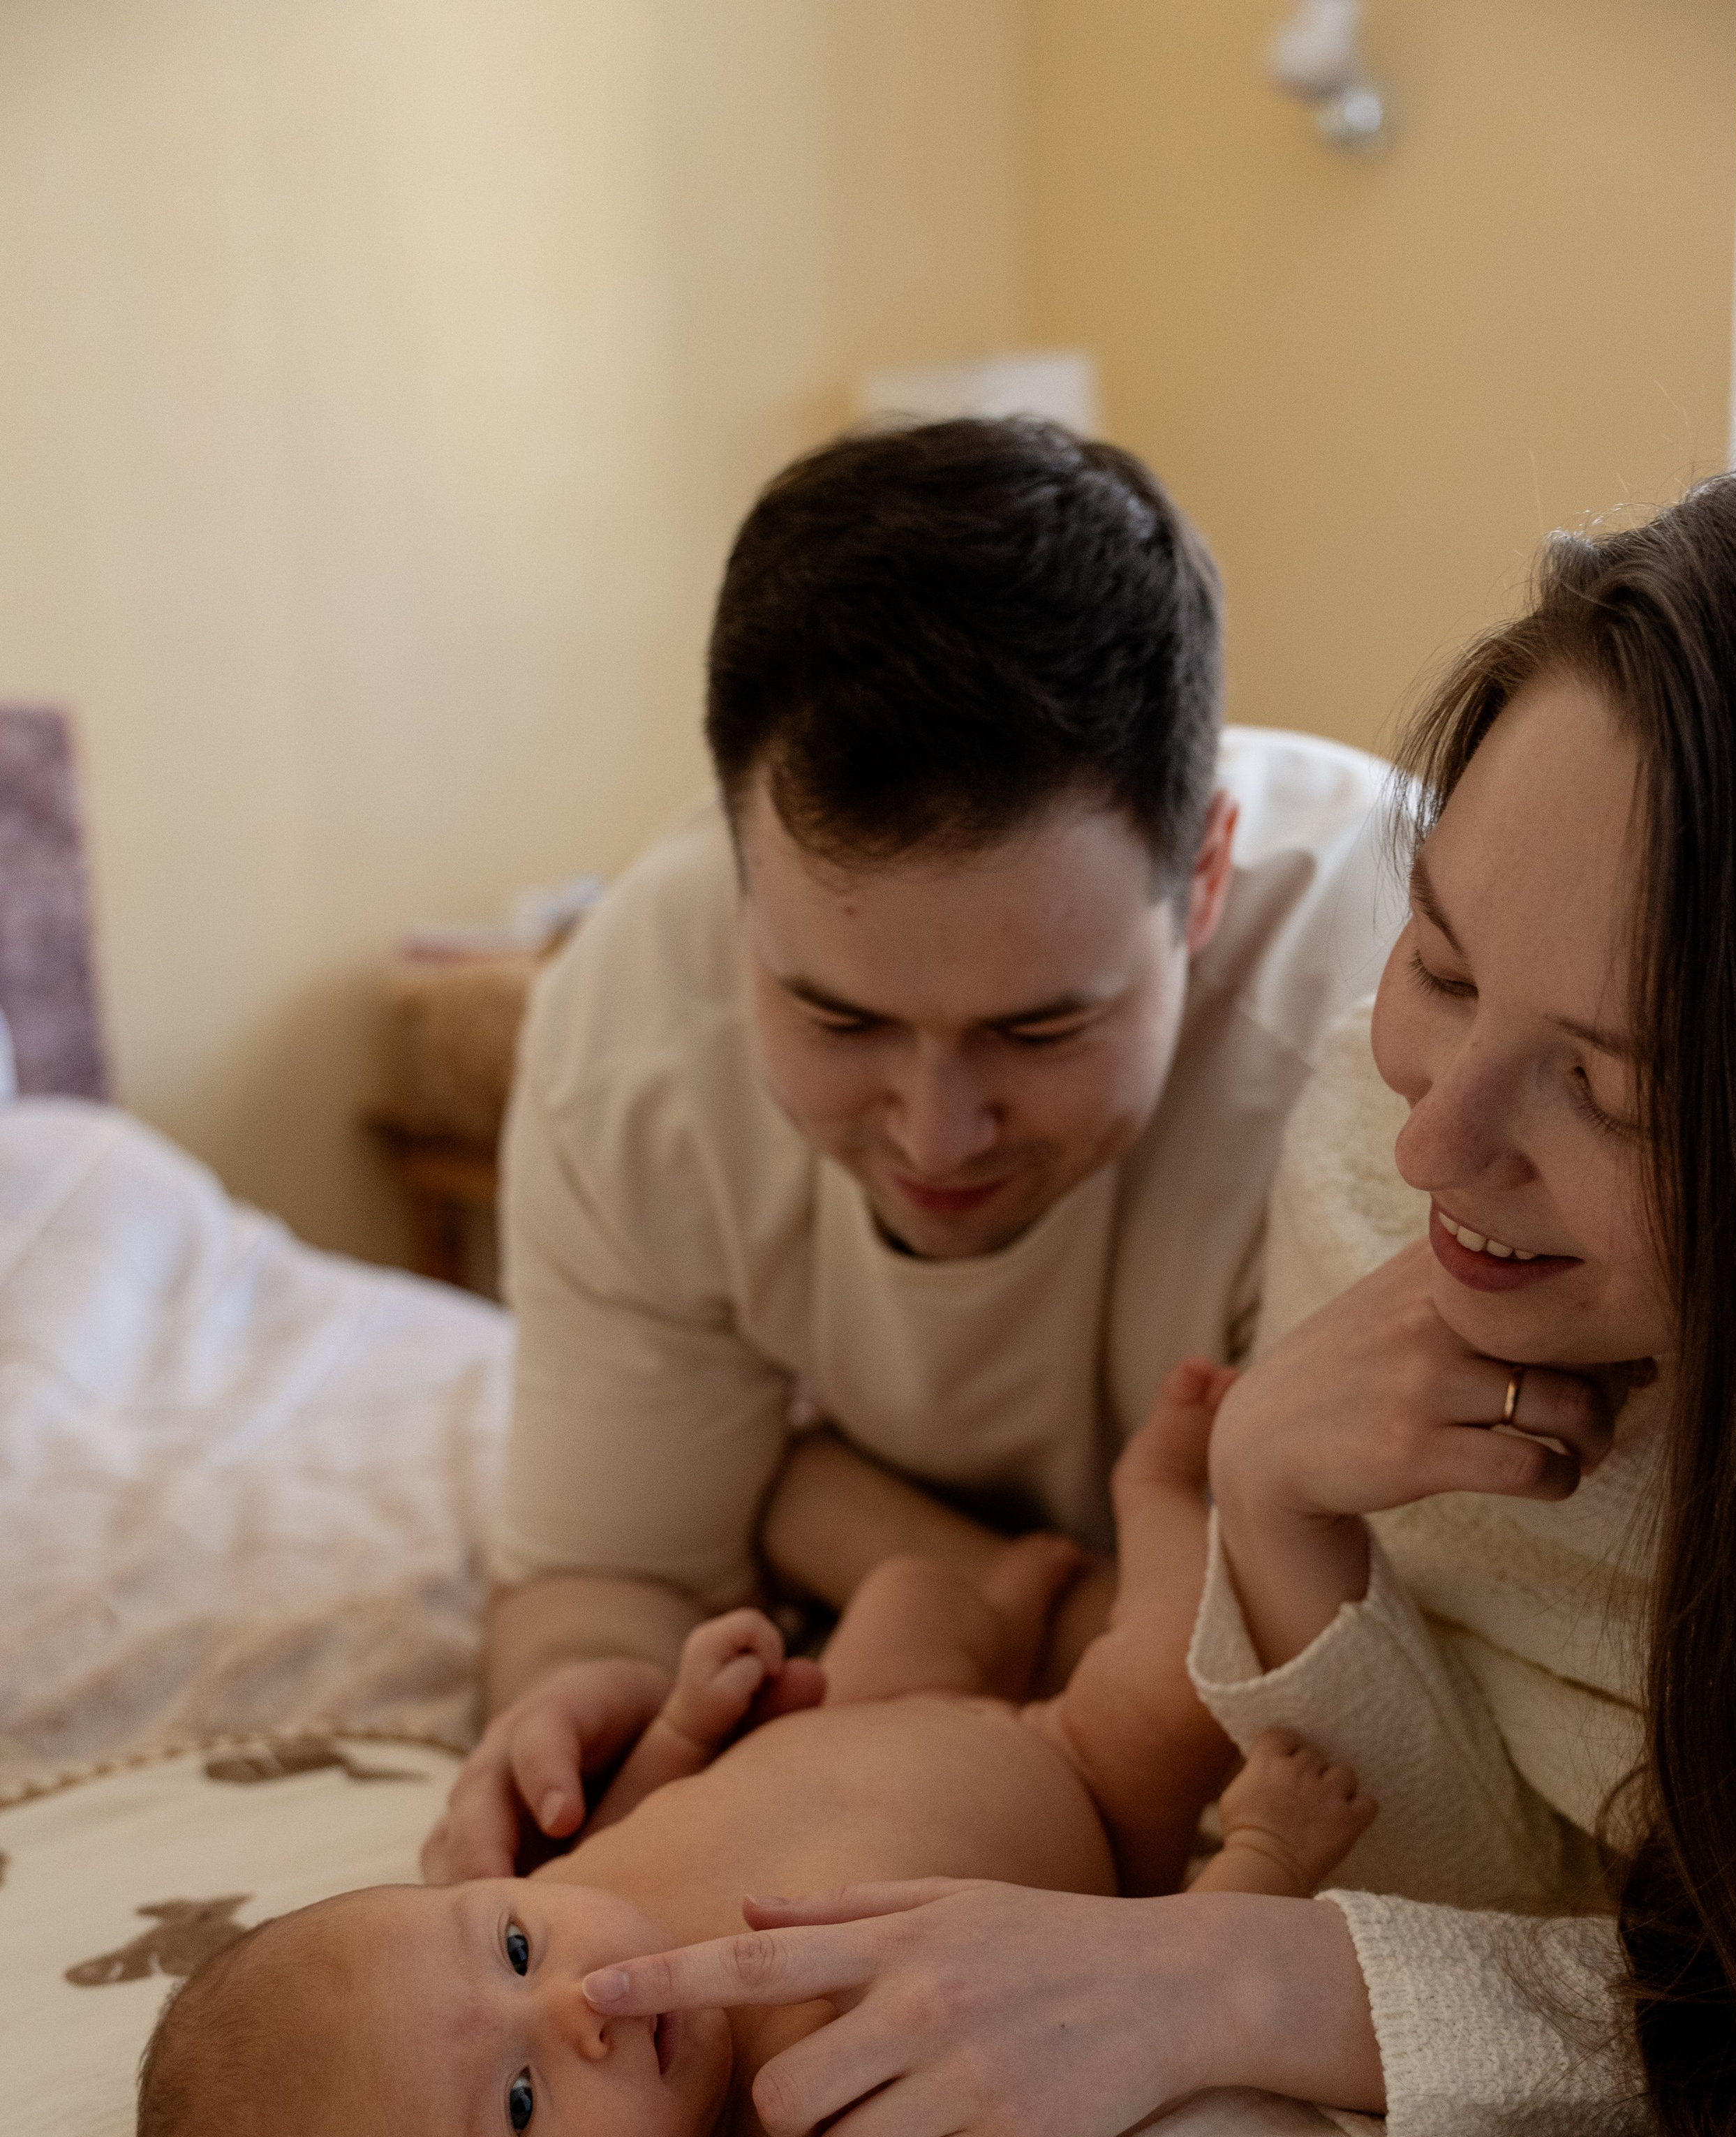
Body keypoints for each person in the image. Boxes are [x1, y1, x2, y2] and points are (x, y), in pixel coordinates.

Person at [578, 464, 1736, 2137]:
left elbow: (1725, 2010)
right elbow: (1494, 1876)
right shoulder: (1372, 1171)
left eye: (1613, 1090)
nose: (1439, 1144)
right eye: (1441, 968)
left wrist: (1220, 1971)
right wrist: (1275, 1513)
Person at [426, 415, 1395, 1884]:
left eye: (1038, 1029)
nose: (936, 1133)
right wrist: (578, 1698)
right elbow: (600, 1583)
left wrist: (825, 1511)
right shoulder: (630, 1031)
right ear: (735, 885)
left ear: (1199, 876)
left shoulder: (1398, 1029)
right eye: (836, 1016)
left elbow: (1344, 1736)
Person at [136, 1363, 1372, 2137]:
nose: (583, 2007)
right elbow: (1122, 2017)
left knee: (903, 1598)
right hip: (1080, 1782)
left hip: (872, 1703)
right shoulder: (818, 2113)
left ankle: (997, 1607)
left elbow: (644, 1805)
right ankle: (1156, 1498)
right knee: (1175, 1678)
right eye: (518, 2104)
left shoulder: (576, 1889)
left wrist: (686, 1719)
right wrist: (1265, 1852)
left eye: (512, 1946)